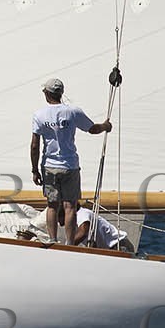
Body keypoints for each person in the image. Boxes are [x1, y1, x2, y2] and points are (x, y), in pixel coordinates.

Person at [29, 77, 111, 244]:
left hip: (49, 166)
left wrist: (35, 170)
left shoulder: (39, 115)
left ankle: (52, 239)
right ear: (61, 93)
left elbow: (34, 146)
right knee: (70, 206)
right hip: (70, 165)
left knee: (52, 206)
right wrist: (105, 126)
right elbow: (92, 129)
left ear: (46, 94)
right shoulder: (73, 112)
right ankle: (69, 243)